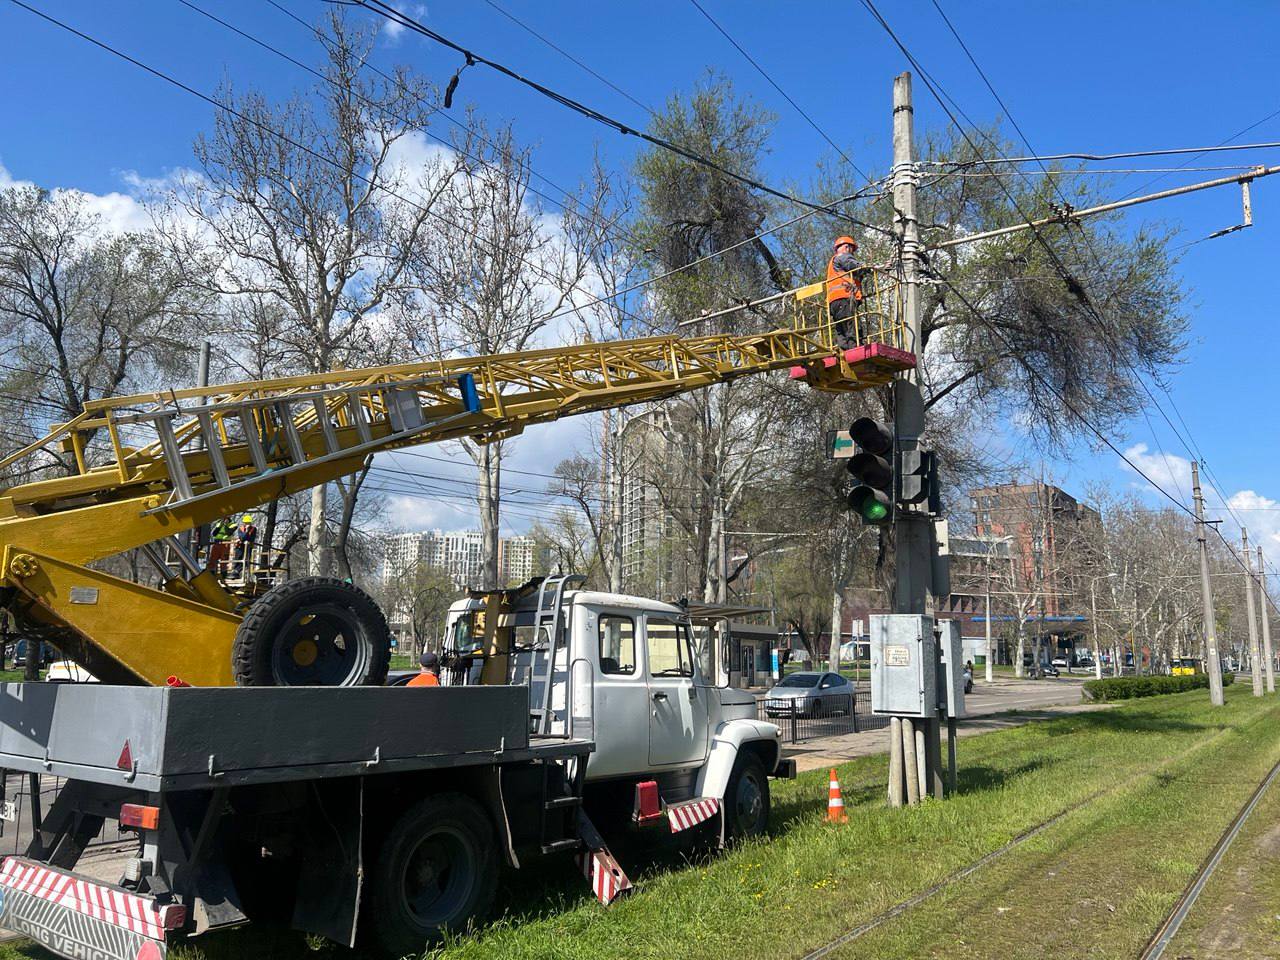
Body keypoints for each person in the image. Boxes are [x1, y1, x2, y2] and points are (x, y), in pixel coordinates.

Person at [826, 235, 864, 348]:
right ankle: (855, 349)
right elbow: (854, 266)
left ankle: (845, 352)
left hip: (834, 302)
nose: (852, 253)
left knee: (841, 329)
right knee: (851, 327)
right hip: (844, 298)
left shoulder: (833, 263)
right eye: (852, 250)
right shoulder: (842, 257)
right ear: (847, 247)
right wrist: (868, 268)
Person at [231, 514, 257, 578]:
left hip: (248, 547)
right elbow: (242, 538)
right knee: (238, 558)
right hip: (240, 547)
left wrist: (246, 533)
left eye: (248, 522)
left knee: (246, 560)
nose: (247, 524)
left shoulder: (254, 529)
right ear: (244, 523)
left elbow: (251, 539)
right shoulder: (240, 529)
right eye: (246, 522)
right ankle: (235, 572)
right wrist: (247, 532)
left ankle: (240, 572)